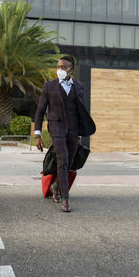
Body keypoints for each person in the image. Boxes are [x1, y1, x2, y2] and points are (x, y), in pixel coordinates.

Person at [34, 56, 96, 212]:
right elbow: (41, 111)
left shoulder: (79, 86)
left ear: (71, 70)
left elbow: (81, 111)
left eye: (63, 67)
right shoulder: (49, 86)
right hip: (56, 128)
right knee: (62, 159)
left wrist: (80, 135)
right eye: (58, 66)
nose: (60, 69)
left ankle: (56, 186)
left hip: (73, 129)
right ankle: (65, 199)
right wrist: (37, 134)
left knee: (69, 162)